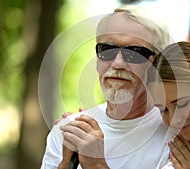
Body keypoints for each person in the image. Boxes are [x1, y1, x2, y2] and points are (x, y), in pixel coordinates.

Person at [41, 5, 172, 169]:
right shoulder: (69, 131)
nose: (117, 63)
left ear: (158, 64)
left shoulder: (179, 135)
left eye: (134, 53)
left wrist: (96, 165)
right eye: (107, 50)